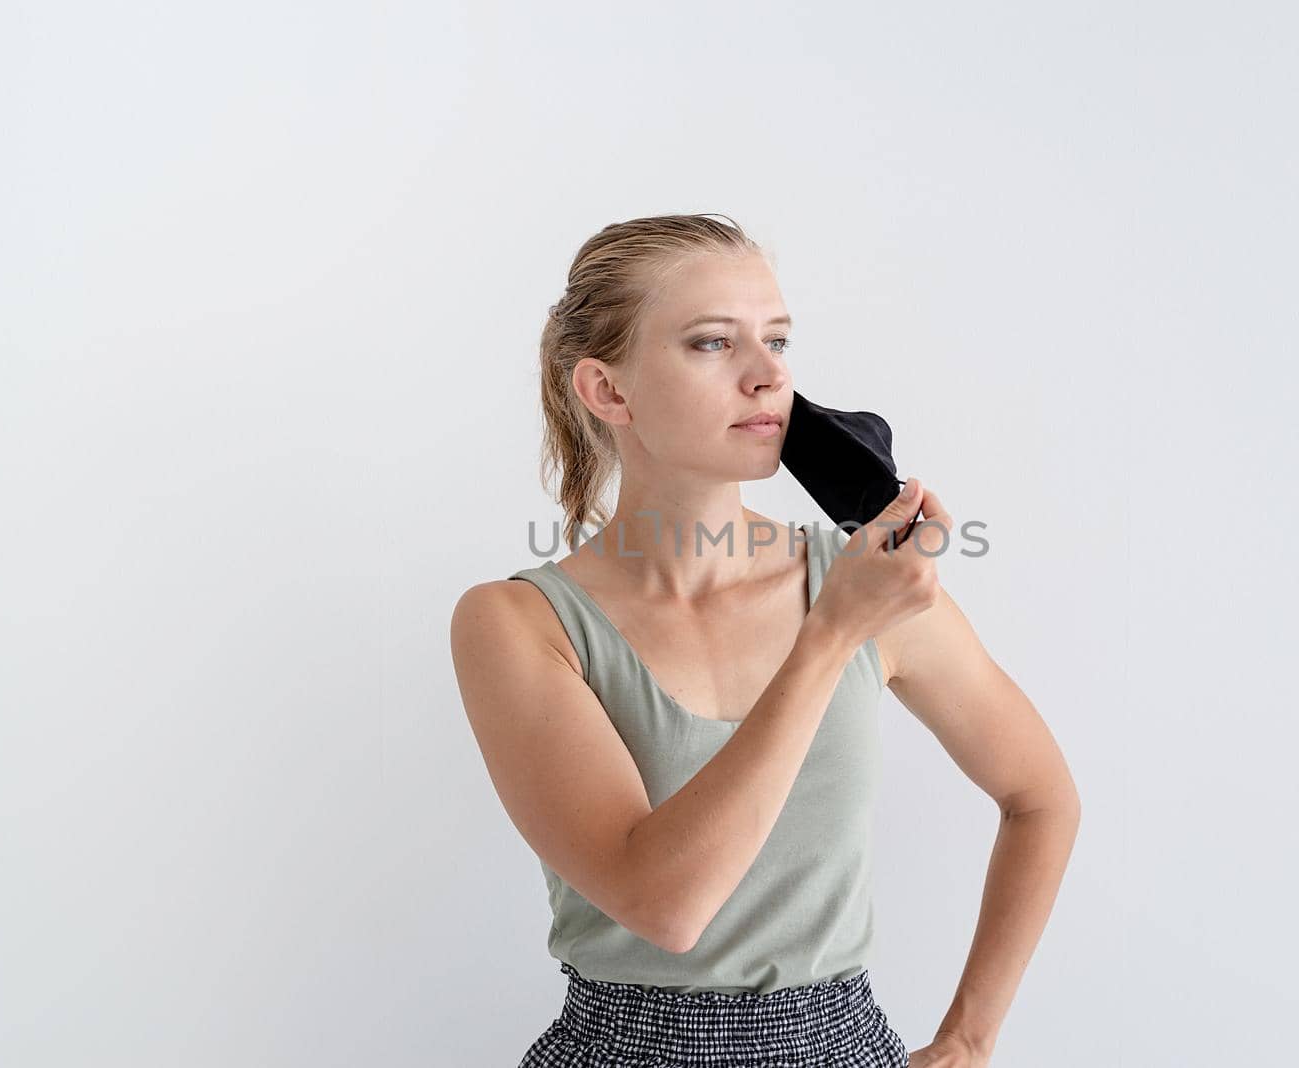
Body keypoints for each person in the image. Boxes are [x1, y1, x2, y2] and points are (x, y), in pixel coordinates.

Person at [450, 214, 1081, 1067]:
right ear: (608, 390)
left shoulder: (866, 582)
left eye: (777, 340)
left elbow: (1040, 797)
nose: (768, 375)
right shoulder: (517, 623)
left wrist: (970, 1037)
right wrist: (830, 638)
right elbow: (666, 906)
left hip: (846, 1046)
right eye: (712, 344)